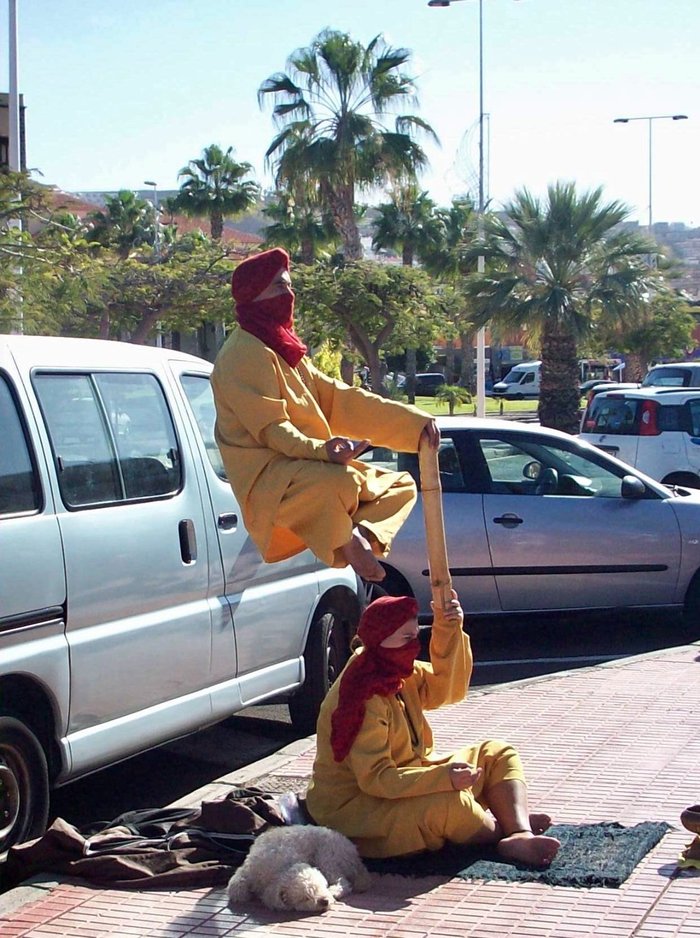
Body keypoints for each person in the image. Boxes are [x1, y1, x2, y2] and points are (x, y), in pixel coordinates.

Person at [211, 247, 439, 582]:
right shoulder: (243, 353)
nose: (288, 294)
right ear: (254, 295)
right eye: (278, 287)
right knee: (339, 482)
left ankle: (359, 538)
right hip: (271, 480)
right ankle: (345, 541)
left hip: (313, 468)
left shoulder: (285, 350)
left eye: (289, 286)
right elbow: (273, 430)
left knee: (400, 486)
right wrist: (324, 450)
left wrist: (414, 424)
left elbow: (342, 401)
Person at [305, 591, 561, 867]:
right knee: (449, 804)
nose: (414, 646)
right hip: (356, 807)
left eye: (415, 636)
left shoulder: (395, 668)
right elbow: (377, 779)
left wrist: (448, 626)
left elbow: (445, 688)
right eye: (406, 638)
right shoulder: (361, 695)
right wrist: (443, 778)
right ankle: (503, 831)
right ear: (380, 640)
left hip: (408, 776)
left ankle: (517, 829)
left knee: (497, 753)